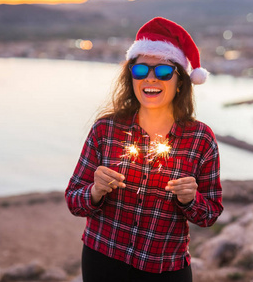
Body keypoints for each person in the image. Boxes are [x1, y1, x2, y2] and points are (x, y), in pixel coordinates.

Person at [65, 17, 223, 282]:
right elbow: (73, 200)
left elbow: (210, 215)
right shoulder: (105, 130)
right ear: (131, 76)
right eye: (140, 70)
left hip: (165, 268)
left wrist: (190, 200)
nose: (151, 78)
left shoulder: (201, 139)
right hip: (102, 260)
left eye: (163, 71)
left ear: (180, 81)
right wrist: (95, 191)